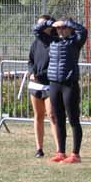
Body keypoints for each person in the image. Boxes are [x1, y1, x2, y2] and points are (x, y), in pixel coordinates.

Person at [45, 17, 88, 164]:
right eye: (58, 28)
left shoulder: (75, 41)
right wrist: (51, 24)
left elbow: (84, 30)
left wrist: (67, 23)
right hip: (54, 84)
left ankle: (75, 154)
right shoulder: (52, 41)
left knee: (73, 120)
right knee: (59, 119)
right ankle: (61, 152)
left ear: (70, 29)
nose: (60, 30)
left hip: (69, 85)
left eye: (63, 28)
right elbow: (37, 31)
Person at [27, 14, 55, 157]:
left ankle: (59, 150)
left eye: (42, 24)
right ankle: (39, 149)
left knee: (52, 115)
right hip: (35, 85)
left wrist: (43, 74)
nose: (39, 27)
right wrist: (31, 72)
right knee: (38, 116)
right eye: (38, 24)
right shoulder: (35, 43)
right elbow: (30, 61)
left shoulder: (55, 41)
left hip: (49, 85)